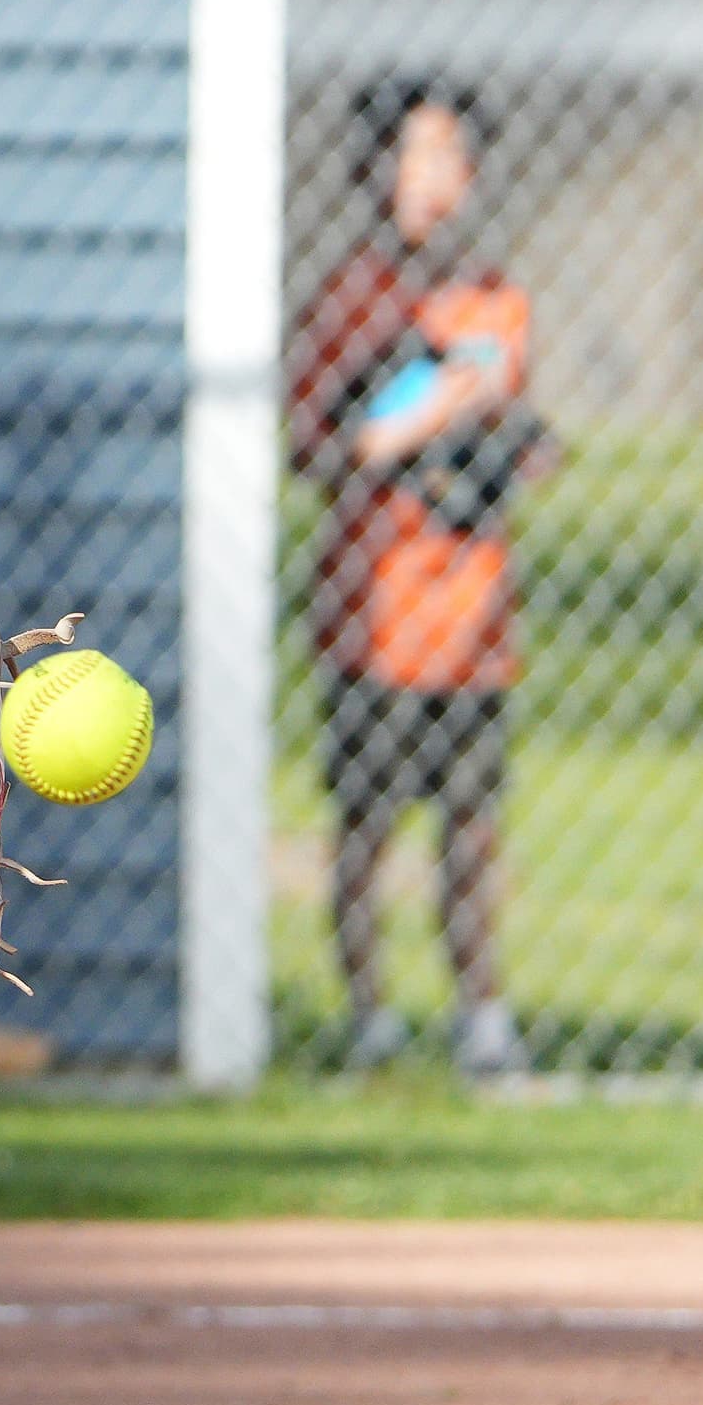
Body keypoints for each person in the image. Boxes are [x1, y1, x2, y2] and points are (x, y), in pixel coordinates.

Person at [287, 80, 546, 1077]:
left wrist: (504, 436)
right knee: (366, 823)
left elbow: (515, 426)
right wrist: (409, 421)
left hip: (473, 620)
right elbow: (313, 443)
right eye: (419, 153)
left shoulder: (497, 301)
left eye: (455, 155)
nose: (440, 176)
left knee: (473, 831)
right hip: (377, 614)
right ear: (377, 168)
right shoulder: (353, 298)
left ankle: (484, 1019)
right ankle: (371, 1022)